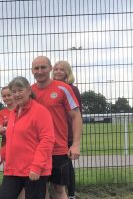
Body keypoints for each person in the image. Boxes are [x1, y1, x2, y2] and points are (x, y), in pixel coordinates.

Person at [31, 56, 83, 199]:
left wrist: (76, 144)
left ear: (50, 69)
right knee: (40, 190)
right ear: (32, 71)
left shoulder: (64, 89)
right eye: (36, 68)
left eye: (43, 67)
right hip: (36, 150)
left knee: (59, 189)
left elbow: (76, 116)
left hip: (58, 148)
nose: (40, 71)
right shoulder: (29, 92)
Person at [0, 76, 55, 199]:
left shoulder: (40, 111)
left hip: (33, 170)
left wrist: (37, 166)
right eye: (13, 91)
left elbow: (47, 140)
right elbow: (12, 141)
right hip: (13, 169)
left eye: (20, 90)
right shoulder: (13, 113)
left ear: (29, 90)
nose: (16, 94)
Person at [53, 60, 83, 199]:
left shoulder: (71, 89)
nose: (58, 71)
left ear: (67, 72)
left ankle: (71, 193)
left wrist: (74, 139)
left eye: (62, 69)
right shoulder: (51, 87)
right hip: (54, 132)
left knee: (66, 165)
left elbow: (76, 114)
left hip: (66, 133)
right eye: (56, 69)